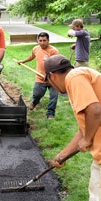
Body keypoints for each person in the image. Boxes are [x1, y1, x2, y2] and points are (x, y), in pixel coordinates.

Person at [44, 54, 101, 201]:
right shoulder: (79, 76)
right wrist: (62, 155)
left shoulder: (74, 77)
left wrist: (88, 139)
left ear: (52, 76)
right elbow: (86, 128)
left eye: (49, 82)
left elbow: (95, 111)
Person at [17, 32, 59, 119]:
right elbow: (31, 57)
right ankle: (34, 102)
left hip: (53, 78)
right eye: (40, 41)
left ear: (48, 40)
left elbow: (57, 65)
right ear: (38, 41)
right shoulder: (36, 49)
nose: (42, 43)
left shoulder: (53, 51)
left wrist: (50, 75)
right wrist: (23, 61)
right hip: (40, 77)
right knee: (37, 94)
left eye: (44, 41)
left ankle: (50, 113)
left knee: (53, 97)